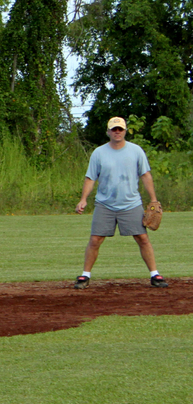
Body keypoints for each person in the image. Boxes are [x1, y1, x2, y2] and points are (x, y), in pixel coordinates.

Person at [73, 116, 168, 289]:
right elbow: (90, 178)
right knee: (95, 240)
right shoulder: (99, 153)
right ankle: (85, 275)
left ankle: (155, 274)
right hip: (105, 204)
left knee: (142, 238)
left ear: (125, 131)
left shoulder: (136, 151)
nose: (117, 132)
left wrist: (153, 199)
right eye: (114, 129)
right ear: (108, 131)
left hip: (131, 203)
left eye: (120, 129)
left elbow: (145, 175)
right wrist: (83, 199)